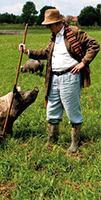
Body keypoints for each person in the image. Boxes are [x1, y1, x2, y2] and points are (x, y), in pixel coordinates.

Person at [19, 9, 100, 152]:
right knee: (52, 109)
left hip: (69, 76)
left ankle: (75, 143)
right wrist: (28, 51)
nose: (48, 27)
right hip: (53, 77)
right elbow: (46, 53)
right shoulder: (54, 36)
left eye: (50, 24)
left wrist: (83, 63)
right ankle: (51, 141)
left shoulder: (73, 32)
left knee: (72, 109)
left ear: (58, 22)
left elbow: (94, 45)